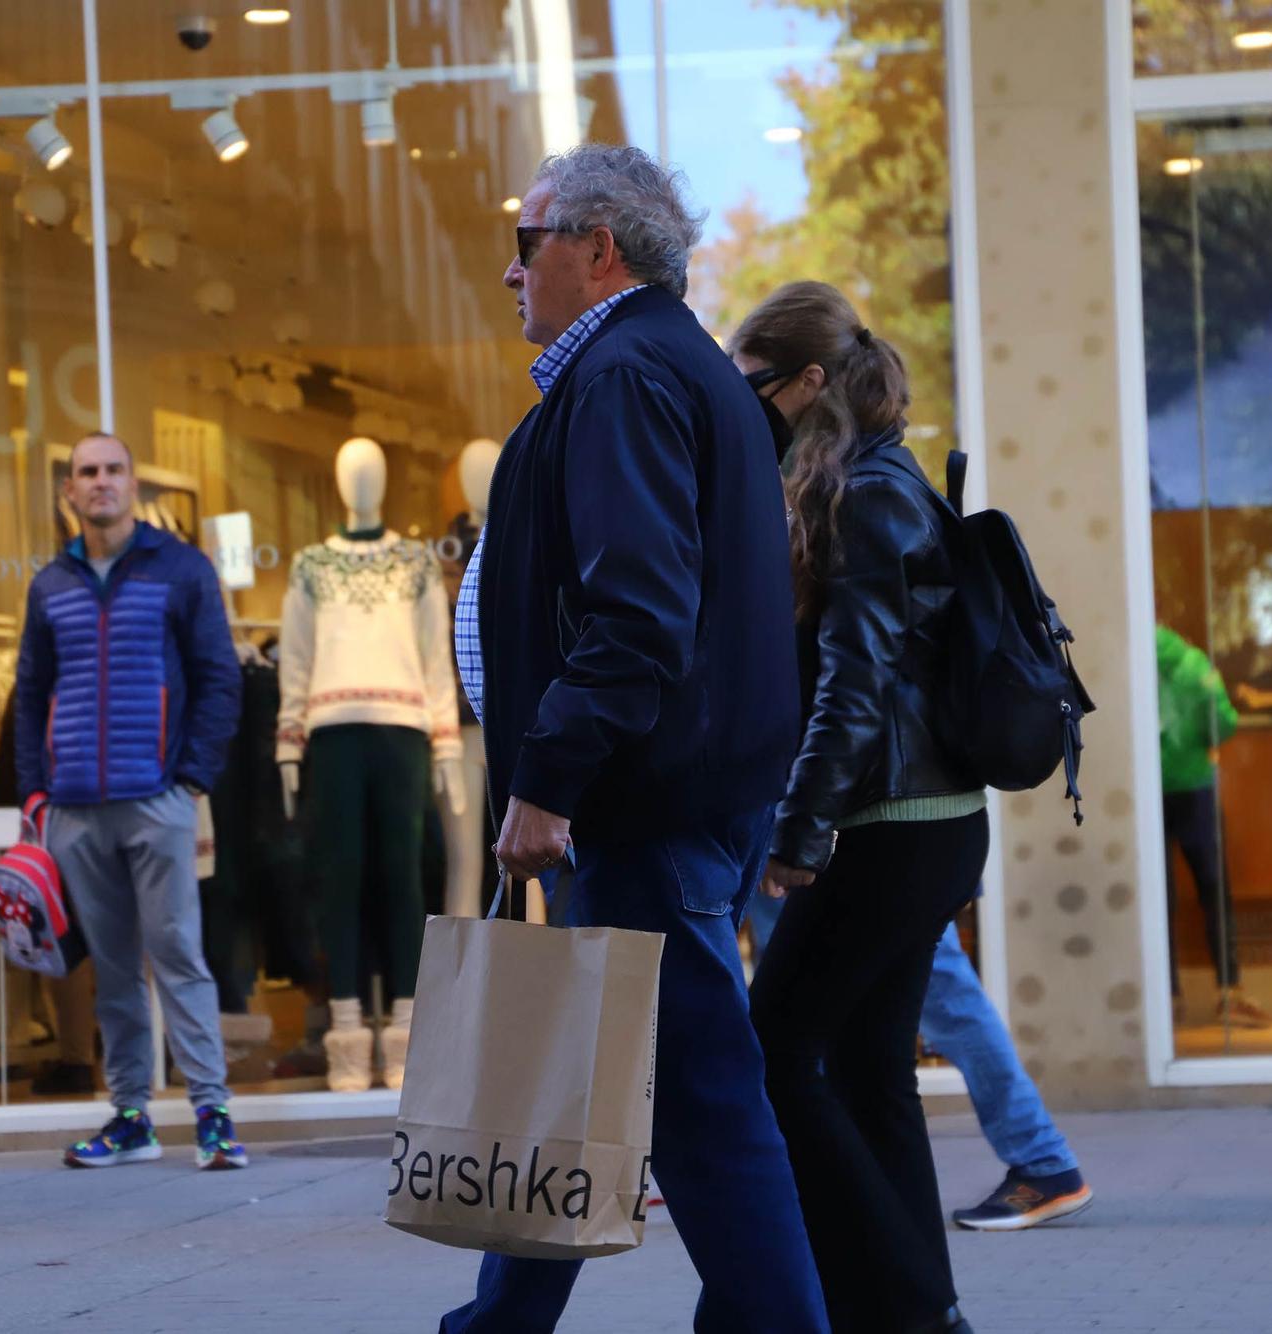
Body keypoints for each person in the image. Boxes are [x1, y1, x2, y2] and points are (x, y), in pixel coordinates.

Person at [439, 145, 829, 1334]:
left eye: (527, 242)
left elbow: (635, 614)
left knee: (703, 1104)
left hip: (644, 806)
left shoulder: (623, 376)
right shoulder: (672, 366)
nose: (510, 273)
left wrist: (547, 778)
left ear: (594, 248)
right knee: (584, 1078)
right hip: (671, 799)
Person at [732, 280, 983, 1334]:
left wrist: (798, 830)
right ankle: (913, 1307)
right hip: (919, 824)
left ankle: (908, 1305)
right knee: (872, 1064)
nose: (746, 405)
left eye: (756, 386)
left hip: (890, 828)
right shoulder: (880, 476)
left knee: (777, 1051)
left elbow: (854, 679)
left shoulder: (865, 492)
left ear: (810, 381)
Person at [13, 432, 248, 1170]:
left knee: (178, 952)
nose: (101, 483)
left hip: (157, 799)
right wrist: (37, 795)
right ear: (70, 492)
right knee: (112, 967)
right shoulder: (51, 583)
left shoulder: (180, 570)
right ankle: (131, 1117)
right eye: (88, 473)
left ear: (133, 484)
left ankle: (212, 1113)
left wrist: (193, 779)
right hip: (77, 809)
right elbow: (29, 697)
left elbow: (220, 678)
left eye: (114, 470)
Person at [741, 889, 1092, 1231]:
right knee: (932, 1002)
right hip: (890, 851)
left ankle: (1043, 1162)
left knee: (798, 1016)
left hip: (843, 853)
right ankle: (1042, 1162)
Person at [1156, 625, 1271, 1028]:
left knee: (1159, 898)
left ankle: (1165, 995)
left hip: (1149, 788)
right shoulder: (1193, 664)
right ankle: (1228, 990)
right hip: (1194, 787)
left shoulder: (1132, 658)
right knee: (1213, 887)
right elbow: (1222, 722)